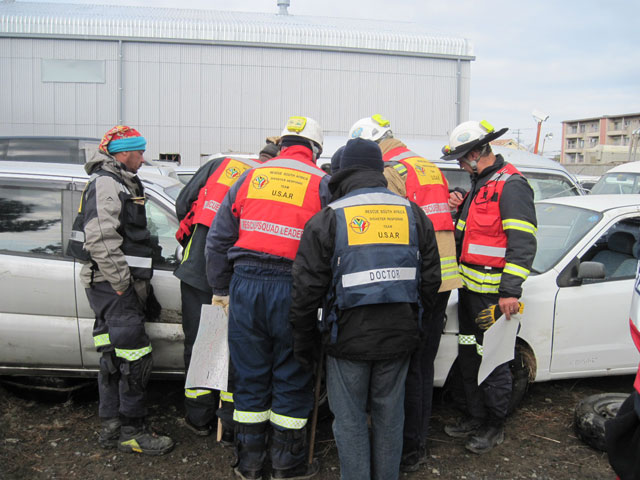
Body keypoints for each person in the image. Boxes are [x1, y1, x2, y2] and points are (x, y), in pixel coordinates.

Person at [290, 138, 441, 480]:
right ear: (379, 171)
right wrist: (415, 323)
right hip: (399, 337)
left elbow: (305, 290)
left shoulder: (328, 218)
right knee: (391, 416)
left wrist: (303, 339)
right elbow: (431, 279)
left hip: (347, 340)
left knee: (350, 419)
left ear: (342, 173)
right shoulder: (413, 213)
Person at [205, 116, 330, 480]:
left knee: (250, 376)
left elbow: (218, 239)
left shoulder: (251, 176)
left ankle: (249, 465)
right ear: (315, 150)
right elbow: (329, 246)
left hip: (245, 286)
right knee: (292, 375)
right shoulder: (322, 183)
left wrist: (220, 289)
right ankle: (286, 467)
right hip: (295, 289)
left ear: (282, 143)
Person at [349, 115, 462, 471]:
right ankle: (418, 443)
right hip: (444, 276)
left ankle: (408, 451)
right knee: (423, 365)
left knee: (408, 367)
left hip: (418, 278)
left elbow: (395, 225)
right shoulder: (426, 165)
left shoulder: (394, 170)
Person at [69, 125, 174, 455]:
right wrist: (124, 285)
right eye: (139, 152)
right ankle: (132, 431)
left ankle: (111, 428)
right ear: (122, 153)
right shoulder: (108, 183)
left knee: (113, 357)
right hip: (113, 287)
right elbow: (100, 239)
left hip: (111, 286)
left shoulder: (123, 181)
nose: (143, 158)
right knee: (134, 358)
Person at [440, 120, 537, 454]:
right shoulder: (479, 185)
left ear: (478, 152)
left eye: (462, 158)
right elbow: (468, 237)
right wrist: (455, 213)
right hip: (470, 290)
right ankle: (474, 413)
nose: (459, 164)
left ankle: (495, 425)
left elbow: (522, 244)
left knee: (493, 360)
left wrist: (511, 291)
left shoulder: (512, 186)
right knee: (469, 353)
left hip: (495, 296)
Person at [174, 146, 268, 439]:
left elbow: (182, 204)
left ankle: (199, 417)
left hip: (199, 270)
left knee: (201, 342)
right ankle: (227, 425)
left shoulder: (222, 165)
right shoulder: (270, 181)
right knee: (236, 347)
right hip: (240, 276)